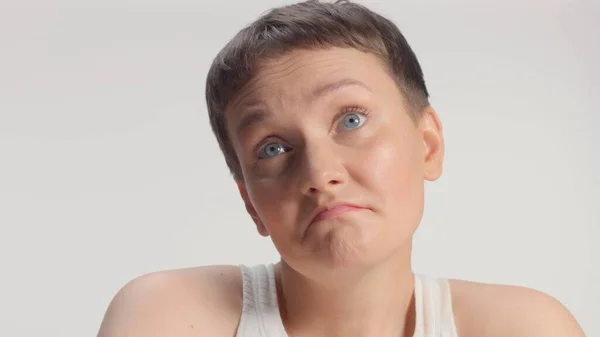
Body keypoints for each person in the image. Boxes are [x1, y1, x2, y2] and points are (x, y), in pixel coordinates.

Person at [97, 1, 585, 336]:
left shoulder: (526, 327)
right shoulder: (170, 316)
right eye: (272, 148)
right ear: (251, 203)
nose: (319, 173)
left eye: (351, 120)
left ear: (428, 145)